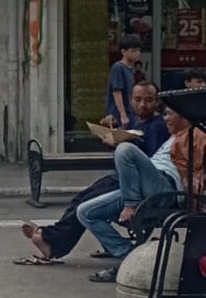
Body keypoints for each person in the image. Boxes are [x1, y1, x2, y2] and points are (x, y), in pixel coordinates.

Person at [18, 82, 168, 264]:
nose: (143, 105)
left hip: (133, 183)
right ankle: (51, 237)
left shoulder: (158, 126)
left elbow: (150, 163)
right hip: (120, 177)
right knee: (79, 199)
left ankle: (50, 240)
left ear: (157, 102)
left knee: (85, 206)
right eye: (138, 100)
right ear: (130, 100)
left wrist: (122, 144)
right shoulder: (135, 121)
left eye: (149, 100)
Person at [78, 106, 206, 281]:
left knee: (124, 149)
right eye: (165, 114)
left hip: (165, 189)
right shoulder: (172, 137)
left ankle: (130, 205)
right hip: (142, 187)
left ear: (185, 117)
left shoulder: (195, 134)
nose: (165, 118)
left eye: (170, 114)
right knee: (85, 212)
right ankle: (130, 257)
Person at [105, 33, 144, 127]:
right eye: (133, 51)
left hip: (130, 112)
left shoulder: (130, 69)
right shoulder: (118, 67)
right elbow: (117, 92)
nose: (137, 53)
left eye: (138, 51)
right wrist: (123, 115)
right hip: (118, 115)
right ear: (123, 51)